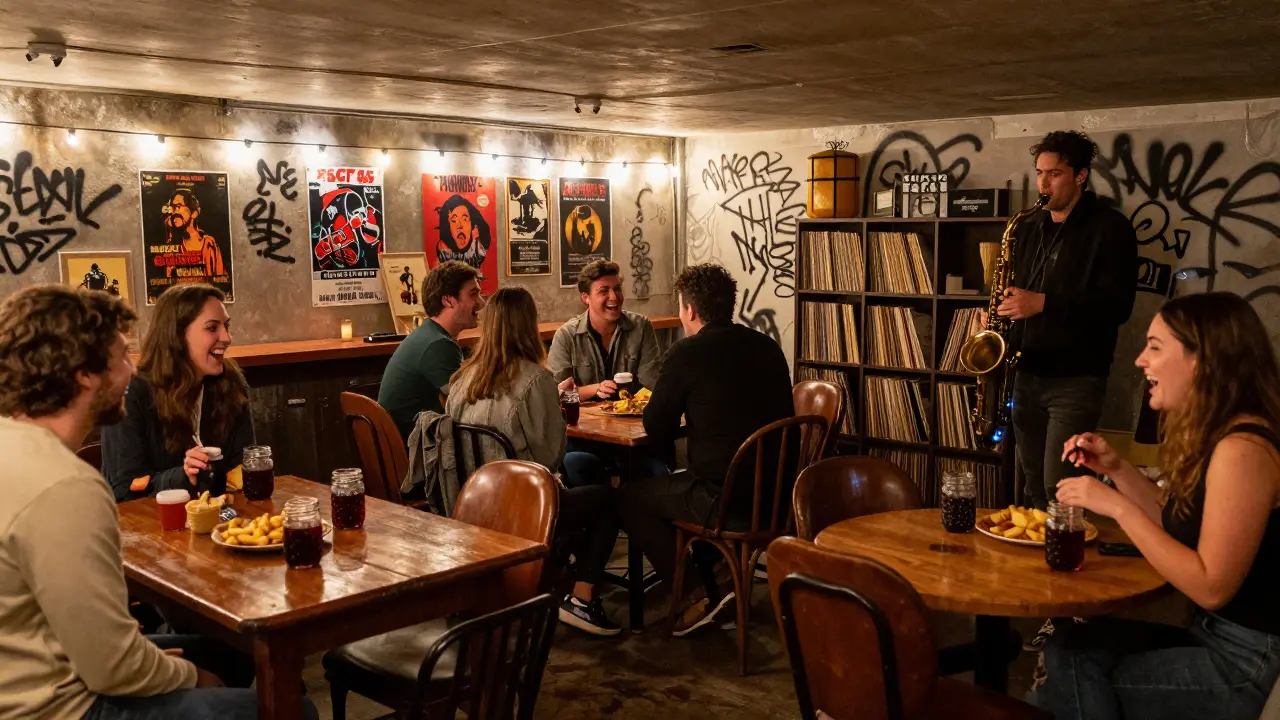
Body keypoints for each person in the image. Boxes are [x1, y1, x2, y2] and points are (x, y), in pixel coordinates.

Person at [0, 285, 317, 719]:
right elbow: (111, 665)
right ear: (83, 375)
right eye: (121, 359)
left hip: (52, 664)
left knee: (230, 650)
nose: (132, 372)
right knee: (295, 710)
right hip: (61, 705)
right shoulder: (66, 486)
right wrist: (192, 677)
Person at [1036, 292, 1280, 720]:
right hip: (1214, 635)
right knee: (1067, 649)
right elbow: (1175, 523)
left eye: (1154, 346)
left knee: (1070, 675)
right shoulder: (1223, 433)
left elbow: (1211, 586)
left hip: (1245, 660)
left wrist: (1116, 507)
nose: (1139, 361)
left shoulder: (1244, 449)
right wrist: (1116, 468)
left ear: (1201, 360)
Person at [618, 263, 795, 635]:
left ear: (690, 310)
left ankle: (695, 597)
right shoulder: (767, 346)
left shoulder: (687, 353)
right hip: (777, 498)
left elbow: (656, 427)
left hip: (724, 499)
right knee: (681, 483)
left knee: (630, 498)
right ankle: (722, 580)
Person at [445, 287, 619, 636]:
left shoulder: (461, 378)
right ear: (528, 325)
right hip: (522, 510)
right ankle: (581, 599)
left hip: (470, 506)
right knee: (608, 500)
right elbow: (550, 458)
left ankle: (548, 575)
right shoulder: (536, 379)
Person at [999, 129, 1138, 510]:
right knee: (1030, 488)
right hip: (1026, 373)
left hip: (1076, 379)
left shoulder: (1109, 228)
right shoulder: (1028, 227)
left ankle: (1069, 562)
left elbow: (1116, 306)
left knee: (1060, 488)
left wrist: (1044, 304)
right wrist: (997, 312)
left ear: (1080, 176)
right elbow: (1018, 291)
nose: (1042, 183)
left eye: (1054, 173)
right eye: (1039, 172)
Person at [101, 283, 254, 502]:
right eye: (212, 328)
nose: (227, 337)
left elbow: (242, 467)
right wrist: (183, 477)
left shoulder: (230, 384)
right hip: (147, 529)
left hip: (221, 526)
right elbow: (124, 489)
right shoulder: (130, 392)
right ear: (177, 335)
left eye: (226, 326)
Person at [549, 259, 666, 485]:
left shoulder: (641, 327)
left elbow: (651, 385)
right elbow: (557, 393)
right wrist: (594, 389)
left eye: (618, 288)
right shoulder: (566, 336)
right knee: (577, 466)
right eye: (604, 291)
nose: (614, 297)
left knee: (655, 470)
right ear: (586, 298)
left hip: (634, 434)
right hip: (585, 438)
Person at [379, 261, 485, 441]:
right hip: (419, 453)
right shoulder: (438, 345)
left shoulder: (428, 334)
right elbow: (469, 405)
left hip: (415, 444)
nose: (481, 303)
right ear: (448, 300)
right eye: (473, 294)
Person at [164, 189, 226, 278]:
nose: (174, 212)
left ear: (194, 213)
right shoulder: (173, 245)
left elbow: (221, 278)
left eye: (178, 206)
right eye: (173, 208)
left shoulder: (209, 243)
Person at [434, 194, 492, 269]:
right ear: (448, 228)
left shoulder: (478, 247)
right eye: (454, 221)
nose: (460, 226)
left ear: (472, 225)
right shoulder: (444, 251)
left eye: (465, 219)